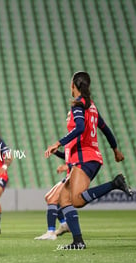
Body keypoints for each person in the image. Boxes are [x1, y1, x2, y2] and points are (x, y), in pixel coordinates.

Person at [45, 71, 132, 249]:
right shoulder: (91, 106)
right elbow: (106, 129)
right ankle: (78, 242)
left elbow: (79, 128)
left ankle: (114, 183)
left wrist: (58, 143)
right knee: (64, 198)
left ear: (73, 85)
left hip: (85, 158)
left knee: (75, 200)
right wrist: (115, 149)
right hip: (90, 157)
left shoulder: (78, 106)